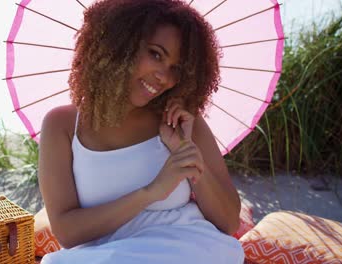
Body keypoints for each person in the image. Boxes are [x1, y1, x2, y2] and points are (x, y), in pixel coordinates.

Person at [37, 0, 244, 263]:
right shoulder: (62, 125)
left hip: (186, 247)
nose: (164, 78)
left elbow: (228, 222)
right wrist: (152, 192)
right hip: (101, 256)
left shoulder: (182, 122)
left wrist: (186, 154)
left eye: (176, 69)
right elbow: (67, 233)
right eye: (156, 54)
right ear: (119, 43)